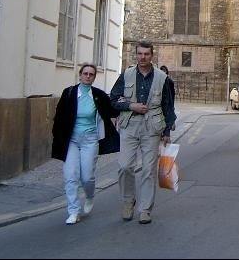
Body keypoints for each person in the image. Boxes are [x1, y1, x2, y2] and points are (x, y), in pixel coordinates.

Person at [110, 41, 176, 225]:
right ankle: (128, 201)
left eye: (146, 54)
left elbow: (168, 106)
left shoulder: (163, 78)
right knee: (124, 166)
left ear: (152, 56)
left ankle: (145, 209)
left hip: (152, 127)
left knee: (148, 170)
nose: (142, 57)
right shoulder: (127, 74)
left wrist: (167, 131)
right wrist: (130, 105)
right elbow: (113, 99)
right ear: (136, 55)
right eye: (139, 54)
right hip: (129, 124)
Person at [51, 63, 120, 225]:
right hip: (72, 141)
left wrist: (123, 101)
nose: (88, 76)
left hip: (90, 140)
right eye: (85, 73)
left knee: (87, 176)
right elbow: (59, 116)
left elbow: (112, 110)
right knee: (70, 176)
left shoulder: (98, 95)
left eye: (91, 74)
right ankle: (73, 211)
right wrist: (57, 137)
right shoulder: (69, 93)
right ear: (80, 75)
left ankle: (89, 196)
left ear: (94, 77)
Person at [159, 65, 177, 130]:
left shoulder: (170, 81)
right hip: (160, 103)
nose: (163, 72)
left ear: (166, 72)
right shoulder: (158, 81)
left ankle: (168, 131)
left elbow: (172, 94)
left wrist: (172, 104)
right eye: (161, 70)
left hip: (168, 102)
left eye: (164, 70)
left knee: (168, 118)